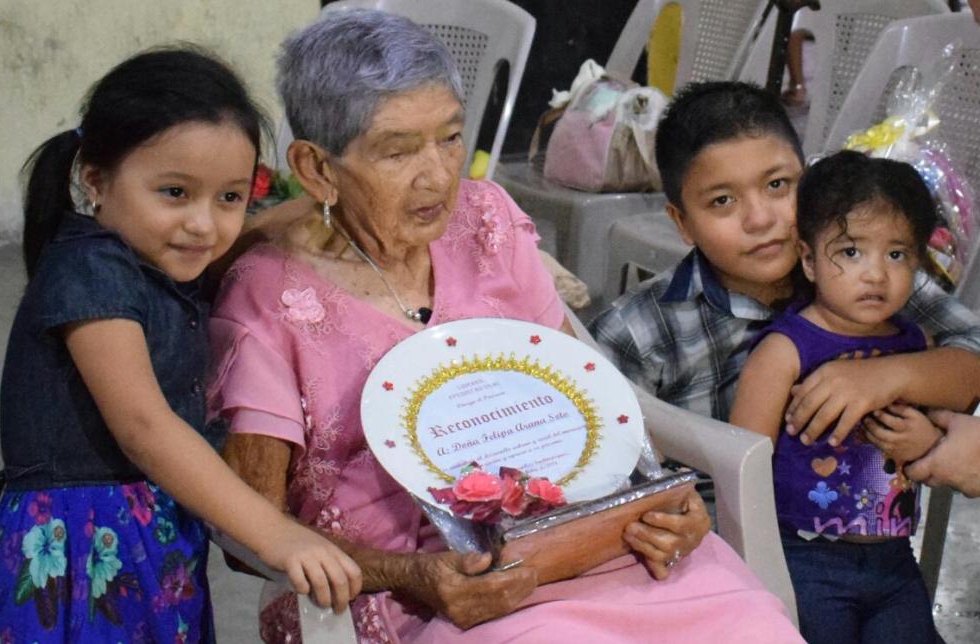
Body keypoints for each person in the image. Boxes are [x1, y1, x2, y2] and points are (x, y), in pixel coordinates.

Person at [208, 10, 802, 643]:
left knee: (753, 626)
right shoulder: (267, 299)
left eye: (450, 137)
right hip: (430, 592)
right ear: (318, 168)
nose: (439, 175)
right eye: (398, 150)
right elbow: (250, 536)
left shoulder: (485, 221)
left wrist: (661, 500)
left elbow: (590, 400)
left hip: (589, 542)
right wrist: (414, 574)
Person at [0, 48, 361, 643]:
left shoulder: (153, 261)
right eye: (175, 192)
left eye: (229, 196)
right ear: (95, 180)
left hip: (153, 547)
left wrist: (336, 197)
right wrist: (276, 532)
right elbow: (145, 428)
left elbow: (252, 232)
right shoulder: (89, 273)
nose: (205, 224)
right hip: (78, 556)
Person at [589, 81, 980, 442]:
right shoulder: (637, 332)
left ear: (806, 178)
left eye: (777, 185)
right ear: (682, 223)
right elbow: (604, 461)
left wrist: (886, 377)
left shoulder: (865, 276)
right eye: (722, 201)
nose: (760, 219)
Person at [729, 151, 942, 643]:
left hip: (894, 559)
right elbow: (742, 466)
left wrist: (925, 440)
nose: (875, 273)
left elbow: (940, 437)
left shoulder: (914, 346)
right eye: (851, 252)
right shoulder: (786, 350)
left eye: (897, 254)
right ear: (808, 258)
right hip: (806, 560)